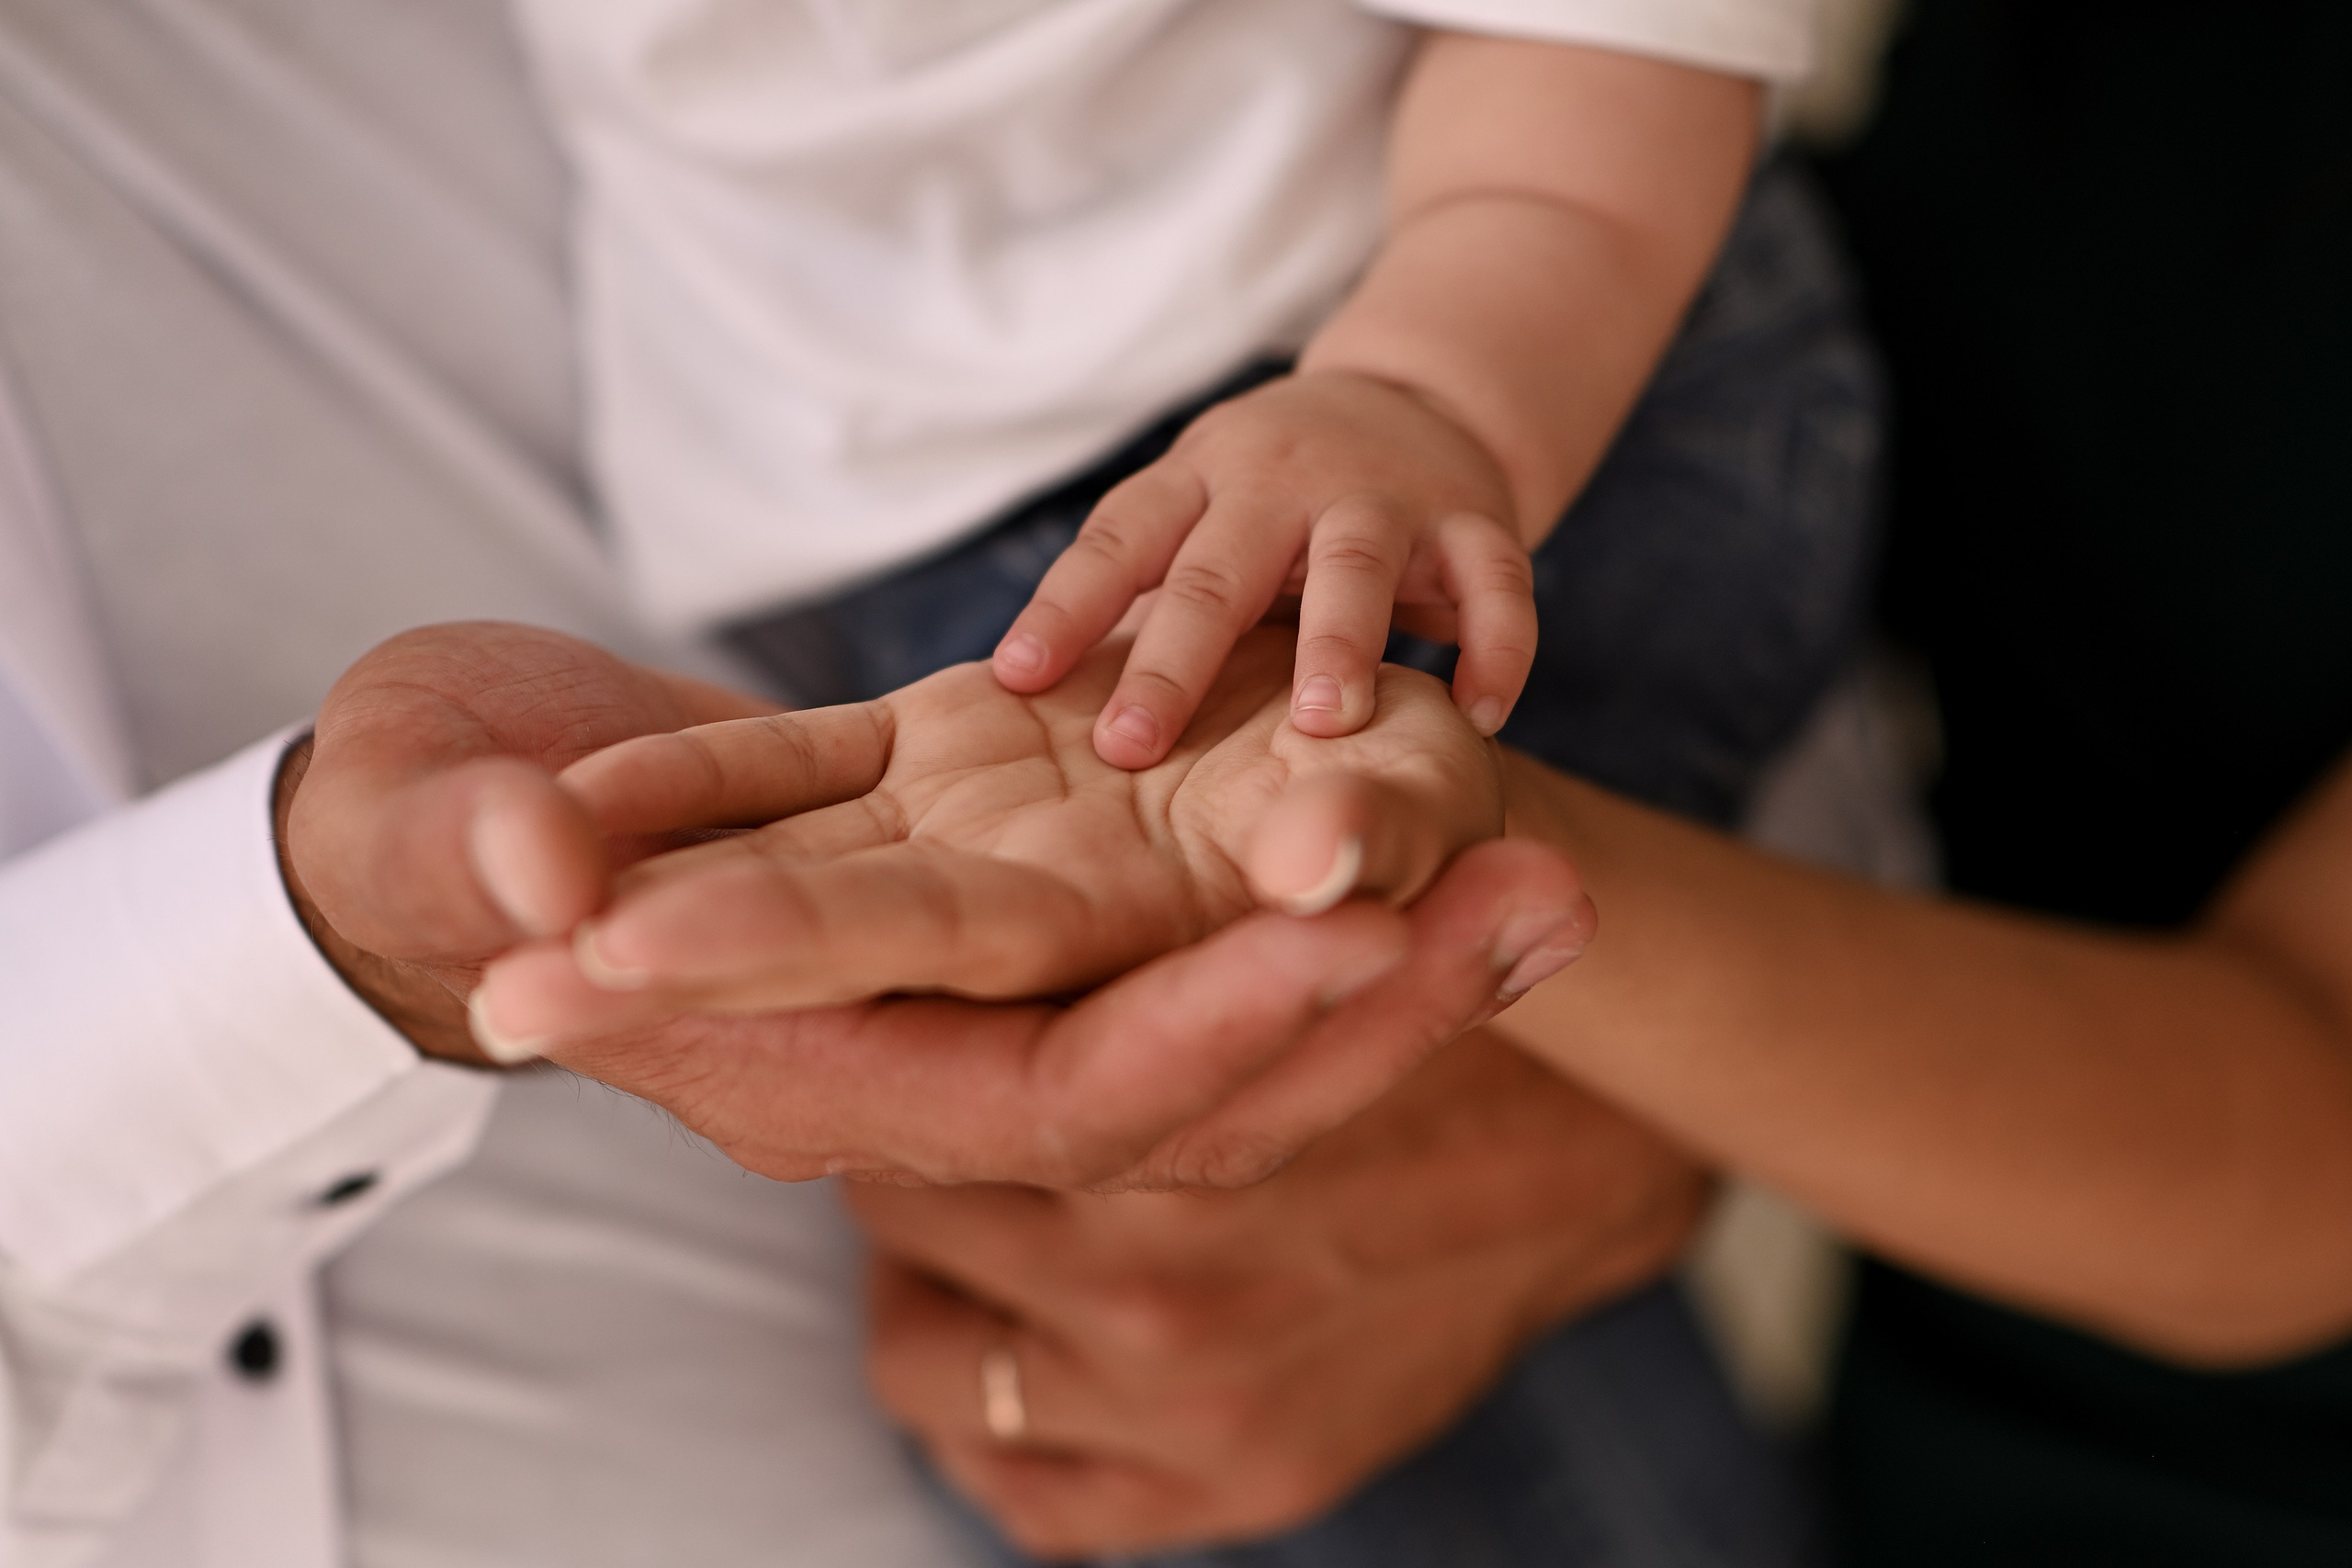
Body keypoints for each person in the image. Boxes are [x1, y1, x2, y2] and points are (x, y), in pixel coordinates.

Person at [0, 2, 1876, 1565]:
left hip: (1435, 366)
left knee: (1249, 1357)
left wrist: (1431, 398)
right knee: (1122, 1404)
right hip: (1020, 544)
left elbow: (1611, 53)